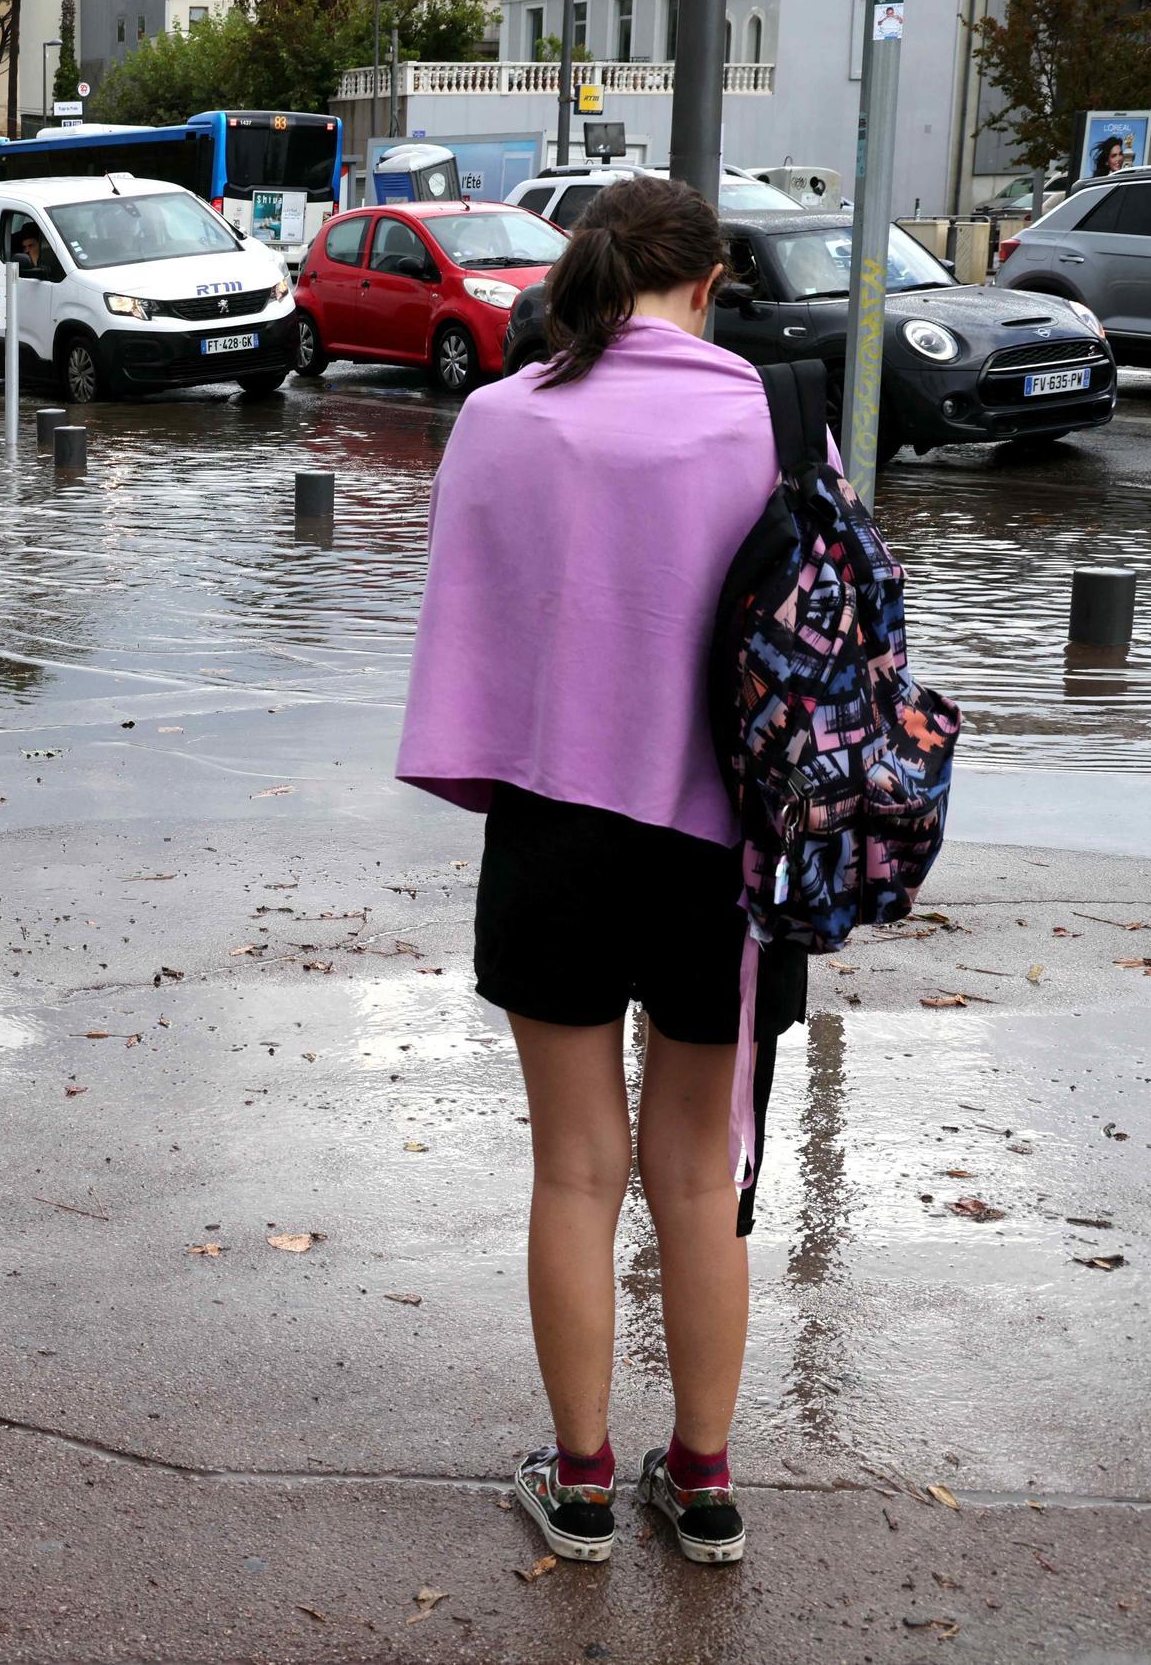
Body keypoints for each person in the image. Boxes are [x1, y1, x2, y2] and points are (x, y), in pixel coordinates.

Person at [395, 175, 805, 1572]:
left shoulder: (500, 423)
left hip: (558, 829)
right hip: (726, 843)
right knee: (697, 1177)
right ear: (705, 286)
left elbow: (469, 628)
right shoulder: (770, 412)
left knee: (575, 1170)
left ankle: (577, 1483)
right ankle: (701, 1482)